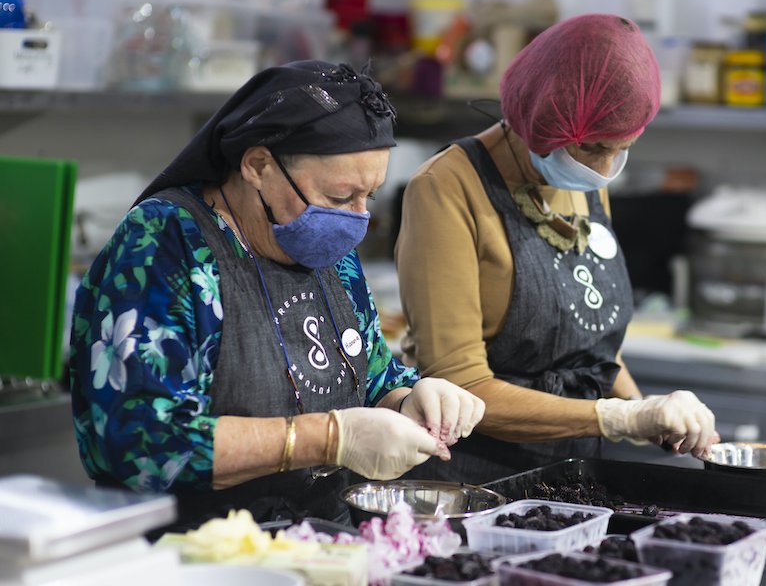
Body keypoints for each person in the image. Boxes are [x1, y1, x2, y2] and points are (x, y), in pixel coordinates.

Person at [69, 60, 484, 528]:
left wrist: (410, 399)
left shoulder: (328, 246)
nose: (357, 216)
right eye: (338, 196)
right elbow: (141, 441)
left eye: (369, 195)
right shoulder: (164, 243)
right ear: (258, 165)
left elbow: (372, 378)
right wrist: (329, 437)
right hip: (198, 554)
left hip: (324, 547)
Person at [395, 14, 718, 485]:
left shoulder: (580, 176)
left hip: (575, 476)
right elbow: (462, 386)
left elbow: (589, 345)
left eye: (621, 149)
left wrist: (650, 414)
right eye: (592, 147)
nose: (604, 170)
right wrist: (619, 419)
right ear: (537, 116)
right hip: (470, 483)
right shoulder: (446, 188)